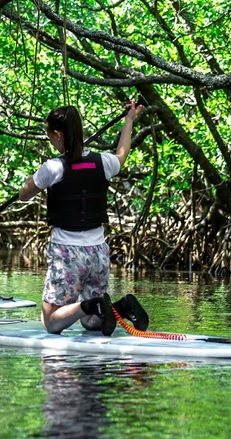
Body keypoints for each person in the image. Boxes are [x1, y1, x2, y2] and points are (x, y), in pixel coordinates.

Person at [17, 99, 148, 336]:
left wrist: (39, 177)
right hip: (98, 251)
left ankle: (91, 304)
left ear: (57, 134)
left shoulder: (53, 167)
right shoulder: (104, 162)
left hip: (68, 253)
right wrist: (129, 121)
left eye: (49, 136)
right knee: (90, 321)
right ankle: (119, 306)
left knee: (51, 322)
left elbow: (23, 194)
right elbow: (122, 153)